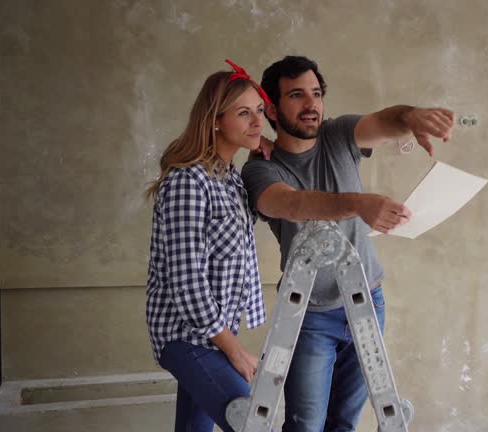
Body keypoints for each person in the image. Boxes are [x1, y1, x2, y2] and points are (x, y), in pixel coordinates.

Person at [241, 55, 454, 432]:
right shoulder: (260, 168)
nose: (311, 105)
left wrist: (411, 116)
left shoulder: (338, 134)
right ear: (272, 108)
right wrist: (358, 204)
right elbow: (291, 204)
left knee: (343, 424)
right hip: (308, 317)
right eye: (296, 95)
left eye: (316, 94)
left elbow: (383, 122)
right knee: (306, 425)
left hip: (368, 303)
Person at [145, 60, 271, 432]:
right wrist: (235, 351)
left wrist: (272, 155)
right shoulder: (189, 182)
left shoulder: (230, 180)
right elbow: (187, 283)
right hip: (188, 337)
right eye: (244, 113)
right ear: (216, 120)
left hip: (213, 335)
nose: (257, 122)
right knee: (252, 422)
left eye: (260, 111)